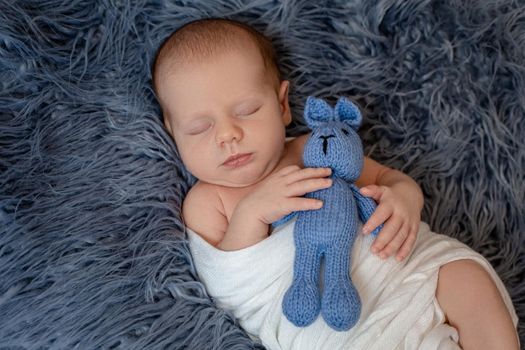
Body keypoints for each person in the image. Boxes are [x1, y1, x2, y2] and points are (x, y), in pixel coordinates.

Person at [152, 18, 519, 350]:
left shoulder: (316, 147)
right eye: (200, 128)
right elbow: (228, 287)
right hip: (337, 330)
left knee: (466, 277)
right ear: (174, 134)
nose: (228, 135)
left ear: (282, 105)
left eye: (247, 110)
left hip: (404, 275)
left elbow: (387, 179)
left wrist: (405, 200)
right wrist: (252, 212)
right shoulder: (207, 200)